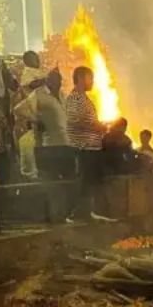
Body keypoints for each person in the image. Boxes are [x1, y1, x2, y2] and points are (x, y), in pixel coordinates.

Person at [65, 66, 104, 218]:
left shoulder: (83, 98)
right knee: (83, 181)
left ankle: (87, 211)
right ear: (81, 79)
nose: (92, 81)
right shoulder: (76, 98)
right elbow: (73, 120)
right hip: (83, 148)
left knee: (89, 181)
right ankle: (77, 212)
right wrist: (96, 126)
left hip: (91, 148)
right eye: (90, 78)